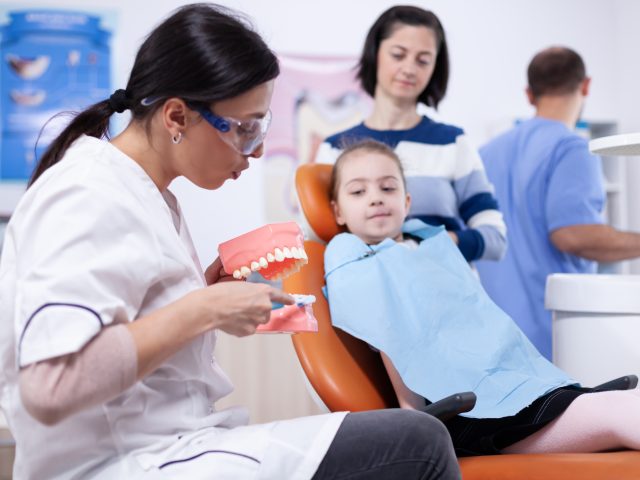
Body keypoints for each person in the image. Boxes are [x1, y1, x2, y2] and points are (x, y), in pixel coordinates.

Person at [0, 5, 461, 479]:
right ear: (177, 116)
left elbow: (126, 318)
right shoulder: (87, 194)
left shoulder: (144, 194)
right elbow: (50, 385)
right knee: (419, 442)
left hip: (172, 444)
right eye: (245, 128)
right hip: (123, 464)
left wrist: (202, 295)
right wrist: (206, 309)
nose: (257, 149)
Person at [324, 139, 640, 457]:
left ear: (407, 202)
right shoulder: (357, 262)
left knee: (617, 407)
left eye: (387, 188)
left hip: (512, 386)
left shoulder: (430, 247)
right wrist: (415, 419)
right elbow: (392, 340)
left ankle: (575, 400)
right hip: (468, 411)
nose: (376, 199)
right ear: (337, 210)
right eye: (358, 192)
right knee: (618, 412)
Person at [475, 46, 640, 360]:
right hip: (551, 340)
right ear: (586, 85)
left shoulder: (486, 152)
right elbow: (574, 235)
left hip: (495, 340)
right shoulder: (572, 148)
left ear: (529, 94)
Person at [314, 5, 506, 263]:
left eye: (423, 60)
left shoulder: (452, 143)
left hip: (444, 294)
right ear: (375, 54)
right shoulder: (334, 149)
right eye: (398, 54)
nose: (409, 68)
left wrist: (434, 247)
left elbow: (495, 240)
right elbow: (315, 240)